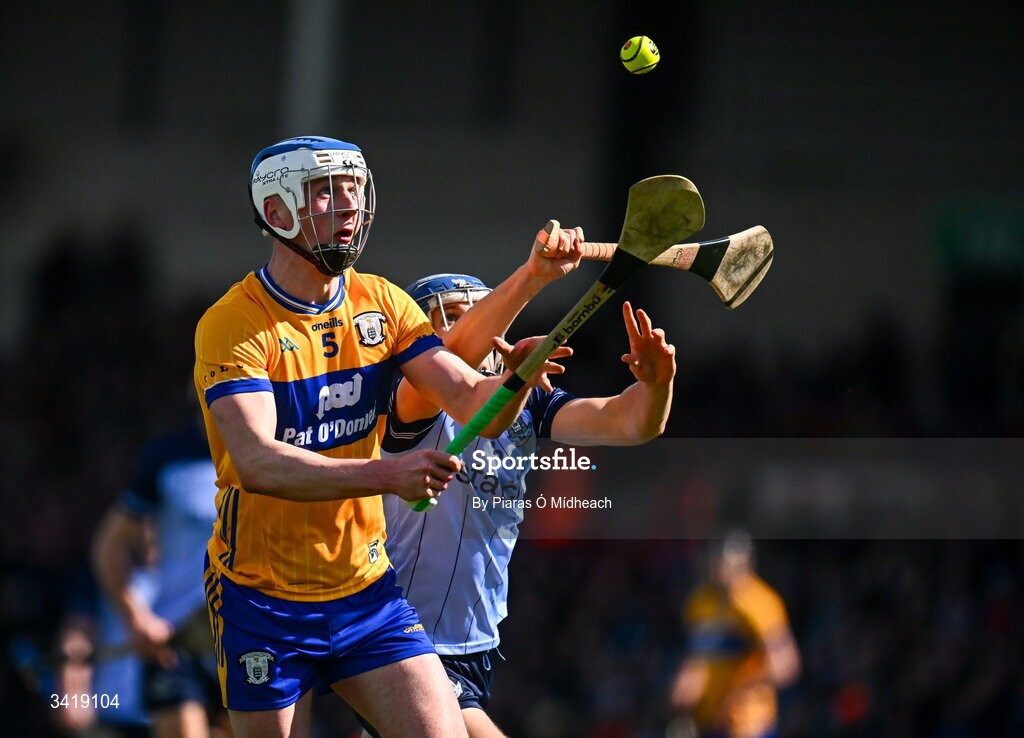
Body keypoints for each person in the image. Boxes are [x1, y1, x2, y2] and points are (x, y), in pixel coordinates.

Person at [193, 135, 570, 738]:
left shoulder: (384, 304)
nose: (348, 204)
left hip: (365, 593)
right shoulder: (233, 323)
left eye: (353, 188)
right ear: (277, 211)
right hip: (262, 599)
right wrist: (385, 474)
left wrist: (517, 374)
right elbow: (258, 462)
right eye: (326, 191)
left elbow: (475, 403)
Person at [368, 232, 677, 737]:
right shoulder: (408, 401)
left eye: (476, 309)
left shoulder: (530, 407)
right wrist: (533, 276)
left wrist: (656, 383)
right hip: (399, 638)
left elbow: (628, 423)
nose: (467, 322)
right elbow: (455, 356)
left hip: (473, 646)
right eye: (447, 314)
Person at [91, 416, 227, 737]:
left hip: (247, 634)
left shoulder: (276, 449)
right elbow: (109, 546)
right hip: (175, 643)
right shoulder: (167, 456)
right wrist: (136, 621)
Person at [668, 531, 801, 738]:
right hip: (710, 722)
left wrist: (741, 689)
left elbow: (785, 664)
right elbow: (697, 658)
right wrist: (684, 692)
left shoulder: (760, 602)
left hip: (748, 724)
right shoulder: (700, 601)